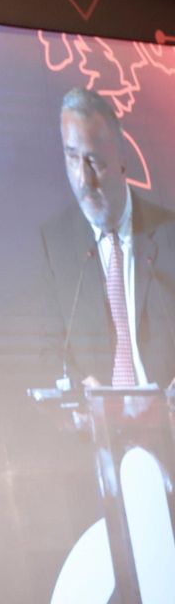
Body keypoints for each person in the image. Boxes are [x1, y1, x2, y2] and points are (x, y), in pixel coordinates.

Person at [40, 88, 175, 389]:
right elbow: (47, 352)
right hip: (96, 432)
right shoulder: (55, 243)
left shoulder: (169, 235)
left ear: (122, 157)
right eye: (72, 157)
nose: (82, 179)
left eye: (94, 161)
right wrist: (79, 387)